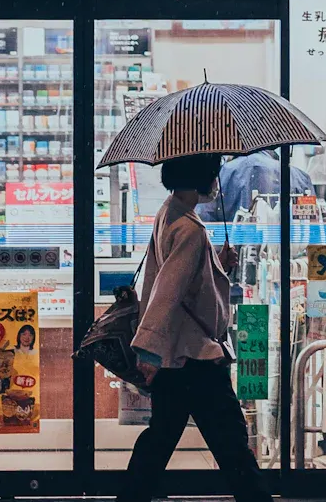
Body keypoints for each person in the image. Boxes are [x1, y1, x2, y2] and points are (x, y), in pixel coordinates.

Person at [122, 153, 271, 502]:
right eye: (213, 173)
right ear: (200, 177)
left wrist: (216, 262)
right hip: (195, 357)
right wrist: (148, 350)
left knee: (159, 441)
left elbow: (179, 281)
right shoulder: (191, 229)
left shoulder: (169, 213)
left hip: (176, 358)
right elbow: (168, 292)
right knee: (231, 442)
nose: (216, 182)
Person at [198, 149, 315, 223]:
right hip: (286, 253)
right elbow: (312, 225)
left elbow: (205, 219)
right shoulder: (299, 177)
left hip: (229, 253)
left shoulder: (220, 175)